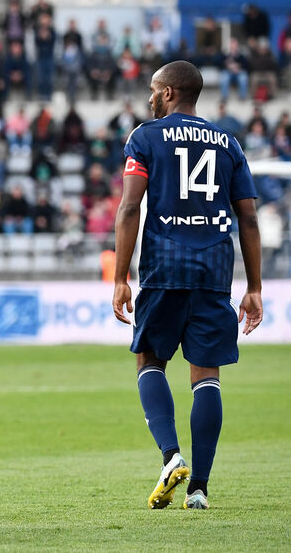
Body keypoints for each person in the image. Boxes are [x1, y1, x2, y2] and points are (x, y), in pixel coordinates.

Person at [112, 60, 263, 511]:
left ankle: (169, 455)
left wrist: (120, 276)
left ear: (172, 93)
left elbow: (128, 207)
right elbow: (249, 216)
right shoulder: (229, 143)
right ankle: (199, 487)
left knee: (149, 359)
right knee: (207, 374)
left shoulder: (145, 137)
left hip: (163, 268)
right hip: (214, 270)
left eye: (155, 90)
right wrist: (254, 286)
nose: (150, 97)